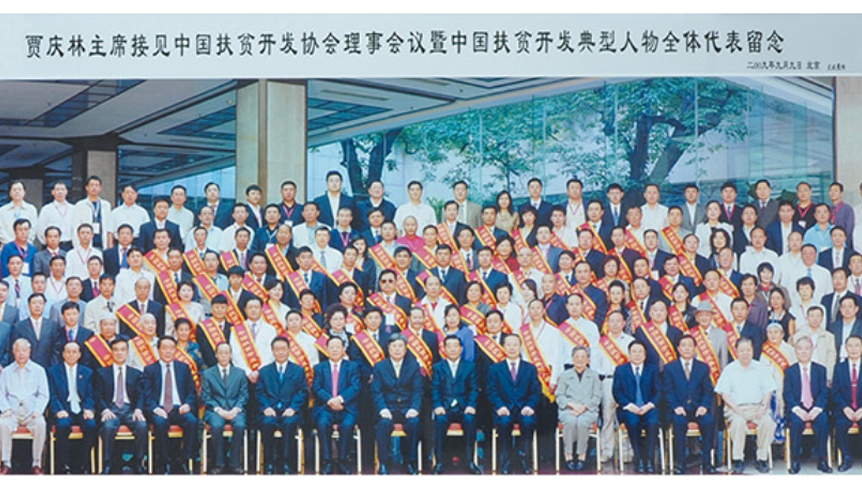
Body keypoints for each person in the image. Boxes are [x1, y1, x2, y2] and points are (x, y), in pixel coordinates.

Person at [715, 337, 777, 474]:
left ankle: (762, 458)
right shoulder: (730, 369)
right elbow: (724, 394)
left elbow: (768, 390)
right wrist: (736, 409)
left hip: (757, 407)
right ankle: (738, 459)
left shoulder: (761, 368)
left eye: (748, 350)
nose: (745, 353)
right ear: (736, 352)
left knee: (767, 422)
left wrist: (763, 407)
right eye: (742, 350)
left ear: (752, 351)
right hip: (735, 408)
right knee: (738, 423)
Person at [662, 334, 718, 474]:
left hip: (698, 408)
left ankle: (707, 462)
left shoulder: (703, 367)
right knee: (679, 423)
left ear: (694, 348)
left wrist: (704, 406)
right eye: (684, 346)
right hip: (679, 409)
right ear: (678, 348)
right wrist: (676, 406)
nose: (687, 349)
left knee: (709, 421)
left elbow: (708, 390)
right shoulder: (670, 368)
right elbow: (668, 391)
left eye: (690, 346)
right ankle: (680, 463)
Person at [486, 333, 541, 475]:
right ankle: (506, 461)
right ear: (503, 347)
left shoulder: (530, 368)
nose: (512, 348)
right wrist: (500, 406)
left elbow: (536, 391)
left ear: (520, 347)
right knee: (504, 423)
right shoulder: (495, 369)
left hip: (524, 409)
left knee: (528, 422)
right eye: (508, 345)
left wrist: (530, 406)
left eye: (515, 345)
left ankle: (525, 461)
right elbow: (491, 391)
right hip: (504, 409)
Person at [143, 336, 199, 474]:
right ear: (158, 350)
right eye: (164, 348)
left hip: (179, 408)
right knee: (160, 423)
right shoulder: (150, 369)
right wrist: (155, 408)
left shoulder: (183, 368)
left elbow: (192, 392)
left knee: (192, 421)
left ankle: (184, 460)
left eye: (171, 348)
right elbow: (147, 395)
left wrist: (187, 404)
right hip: (160, 409)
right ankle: (164, 462)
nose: (168, 351)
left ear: (175, 350)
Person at [93, 338, 148, 475]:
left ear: (127, 352)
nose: (119, 353)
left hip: (130, 411)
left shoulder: (136, 373)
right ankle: (107, 464)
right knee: (108, 427)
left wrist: (138, 410)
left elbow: (141, 395)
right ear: (111, 352)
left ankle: (138, 463)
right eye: (116, 350)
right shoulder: (101, 373)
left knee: (142, 426)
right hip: (111, 410)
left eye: (123, 350)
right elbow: (98, 396)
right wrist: (105, 410)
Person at [372, 333, 423, 475]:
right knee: (383, 424)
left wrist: (414, 408)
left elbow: (418, 390)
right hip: (388, 408)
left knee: (415, 423)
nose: (397, 349)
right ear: (388, 348)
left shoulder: (413, 366)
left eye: (400, 346)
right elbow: (376, 392)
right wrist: (382, 409)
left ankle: (410, 462)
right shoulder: (380, 367)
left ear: (406, 349)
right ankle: (384, 463)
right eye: (394, 346)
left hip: (407, 408)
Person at [257, 336, 307, 475]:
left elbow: (302, 392)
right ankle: (269, 463)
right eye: (277, 349)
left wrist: (293, 408)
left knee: (289, 424)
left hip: (289, 410)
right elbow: (260, 393)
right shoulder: (264, 371)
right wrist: (266, 407)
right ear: (272, 351)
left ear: (289, 350)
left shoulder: (298, 370)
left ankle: (287, 463)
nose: (281, 352)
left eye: (284, 349)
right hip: (270, 411)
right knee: (267, 423)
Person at [431, 335, 480, 475]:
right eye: (449, 346)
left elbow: (474, 389)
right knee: (439, 421)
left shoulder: (470, 366)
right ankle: (439, 462)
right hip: (445, 407)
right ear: (444, 349)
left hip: (464, 407)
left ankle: (470, 462)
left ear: (461, 349)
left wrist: (471, 405)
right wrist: (438, 406)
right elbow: (435, 389)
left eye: (455, 346)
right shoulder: (438, 367)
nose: (452, 349)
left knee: (470, 420)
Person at [0, 338, 49, 474]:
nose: (21, 353)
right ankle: (6, 463)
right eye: (18, 350)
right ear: (13, 352)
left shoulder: (39, 370)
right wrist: (6, 409)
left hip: (31, 413)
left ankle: (36, 463)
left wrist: (38, 410)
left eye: (24, 350)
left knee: (40, 424)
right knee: (3, 424)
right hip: (12, 413)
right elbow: (1, 394)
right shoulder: (6, 372)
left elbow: (43, 394)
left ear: (29, 352)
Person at [312, 336, 360, 475]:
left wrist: (340, 399)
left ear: (344, 349)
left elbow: (355, 387)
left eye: (337, 347)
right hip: (325, 407)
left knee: (347, 425)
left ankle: (343, 460)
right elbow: (317, 388)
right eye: (331, 347)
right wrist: (330, 400)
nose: (334, 350)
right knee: (323, 423)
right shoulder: (319, 368)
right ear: (326, 349)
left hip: (346, 407)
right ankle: (327, 461)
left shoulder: (352, 367)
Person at [783, 336, 831, 474]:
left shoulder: (820, 370)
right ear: (795, 351)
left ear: (812, 350)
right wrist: (797, 409)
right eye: (800, 349)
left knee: (823, 421)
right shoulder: (790, 371)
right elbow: (787, 393)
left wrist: (817, 408)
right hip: (798, 408)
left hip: (816, 407)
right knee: (796, 423)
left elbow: (824, 392)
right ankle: (795, 460)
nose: (803, 351)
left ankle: (822, 460)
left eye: (806, 348)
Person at [47, 341, 96, 474]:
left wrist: (88, 409)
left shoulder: (87, 372)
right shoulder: (53, 371)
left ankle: (84, 464)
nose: (71, 355)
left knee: (91, 425)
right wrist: (58, 410)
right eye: (68, 352)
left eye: (74, 352)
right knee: (62, 425)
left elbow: (90, 394)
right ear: (63, 354)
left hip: (81, 408)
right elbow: (52, 395)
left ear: (79, 355)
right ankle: (64, 465)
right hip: (64, 408)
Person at [201, 342, 249, 475]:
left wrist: (236, 409)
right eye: (220, 353)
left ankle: (235, 463)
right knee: (216, 426)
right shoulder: (208, 373)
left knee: (240, 425)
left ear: (230, 355)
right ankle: (219, 464)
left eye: (226, 353)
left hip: (235, 410)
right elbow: (205, 396)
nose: (223, 356)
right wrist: (219, 410)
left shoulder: (240, 373)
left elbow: (244, 395)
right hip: (215, 410)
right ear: (216, 355)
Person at [613, 341, 660, 474]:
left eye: (640, 352)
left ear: (645, 355)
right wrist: (629, 406)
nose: (637, 354)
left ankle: (649, 459)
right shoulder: (621, 370)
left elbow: (659, 391)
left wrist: (649, 405)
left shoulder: (653, 369)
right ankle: (638, 458)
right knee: (633, 422)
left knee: (653, 422)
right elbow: (617, 392)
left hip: (648, 407)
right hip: (629, 408)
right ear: (629, 354)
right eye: (634, 351)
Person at [555, 346, 602, 472]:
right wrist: (572, 405)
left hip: (588, 410)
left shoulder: (594, 376)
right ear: (572, 359)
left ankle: (582, 455)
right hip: (568, 409)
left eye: (583, 357)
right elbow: (559, 395)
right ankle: (568, 454)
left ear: (588, 360)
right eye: (577, 357)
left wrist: (584, 408)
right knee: (570, 421)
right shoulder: (565, 375)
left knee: (581, 422)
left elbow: (597, 396)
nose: (580, 359)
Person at [832, 335, 862, 471]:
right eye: (850, 346)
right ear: (845, 348)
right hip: (844, 409)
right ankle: (846, 458)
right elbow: (835, 392)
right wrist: (845, 408)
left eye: (857, 345)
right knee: (840, 424)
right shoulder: (839, 368)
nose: (854, 349)